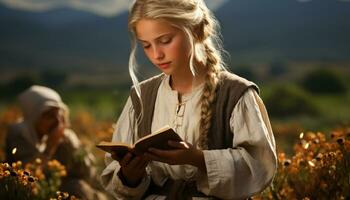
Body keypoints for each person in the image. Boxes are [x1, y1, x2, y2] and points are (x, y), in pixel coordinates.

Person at [101, 0, 277, 199]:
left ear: (195, 31)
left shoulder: (236, 94)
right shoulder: (141, 97)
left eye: (165, 40)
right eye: (147, 45)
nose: (157, 55)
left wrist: (199, 159)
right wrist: (129, 176)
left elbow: (259, 166)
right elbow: (115, 175)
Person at [5, 85, 107, 200]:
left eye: (59, 115)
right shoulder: (20, 134)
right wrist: (50, 148)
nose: (58, 122)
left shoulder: (65, 136)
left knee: (77, 187)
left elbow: (88, 175)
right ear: (34, 117)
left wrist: (72, 146)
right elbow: (28, 178)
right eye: (50, 116)